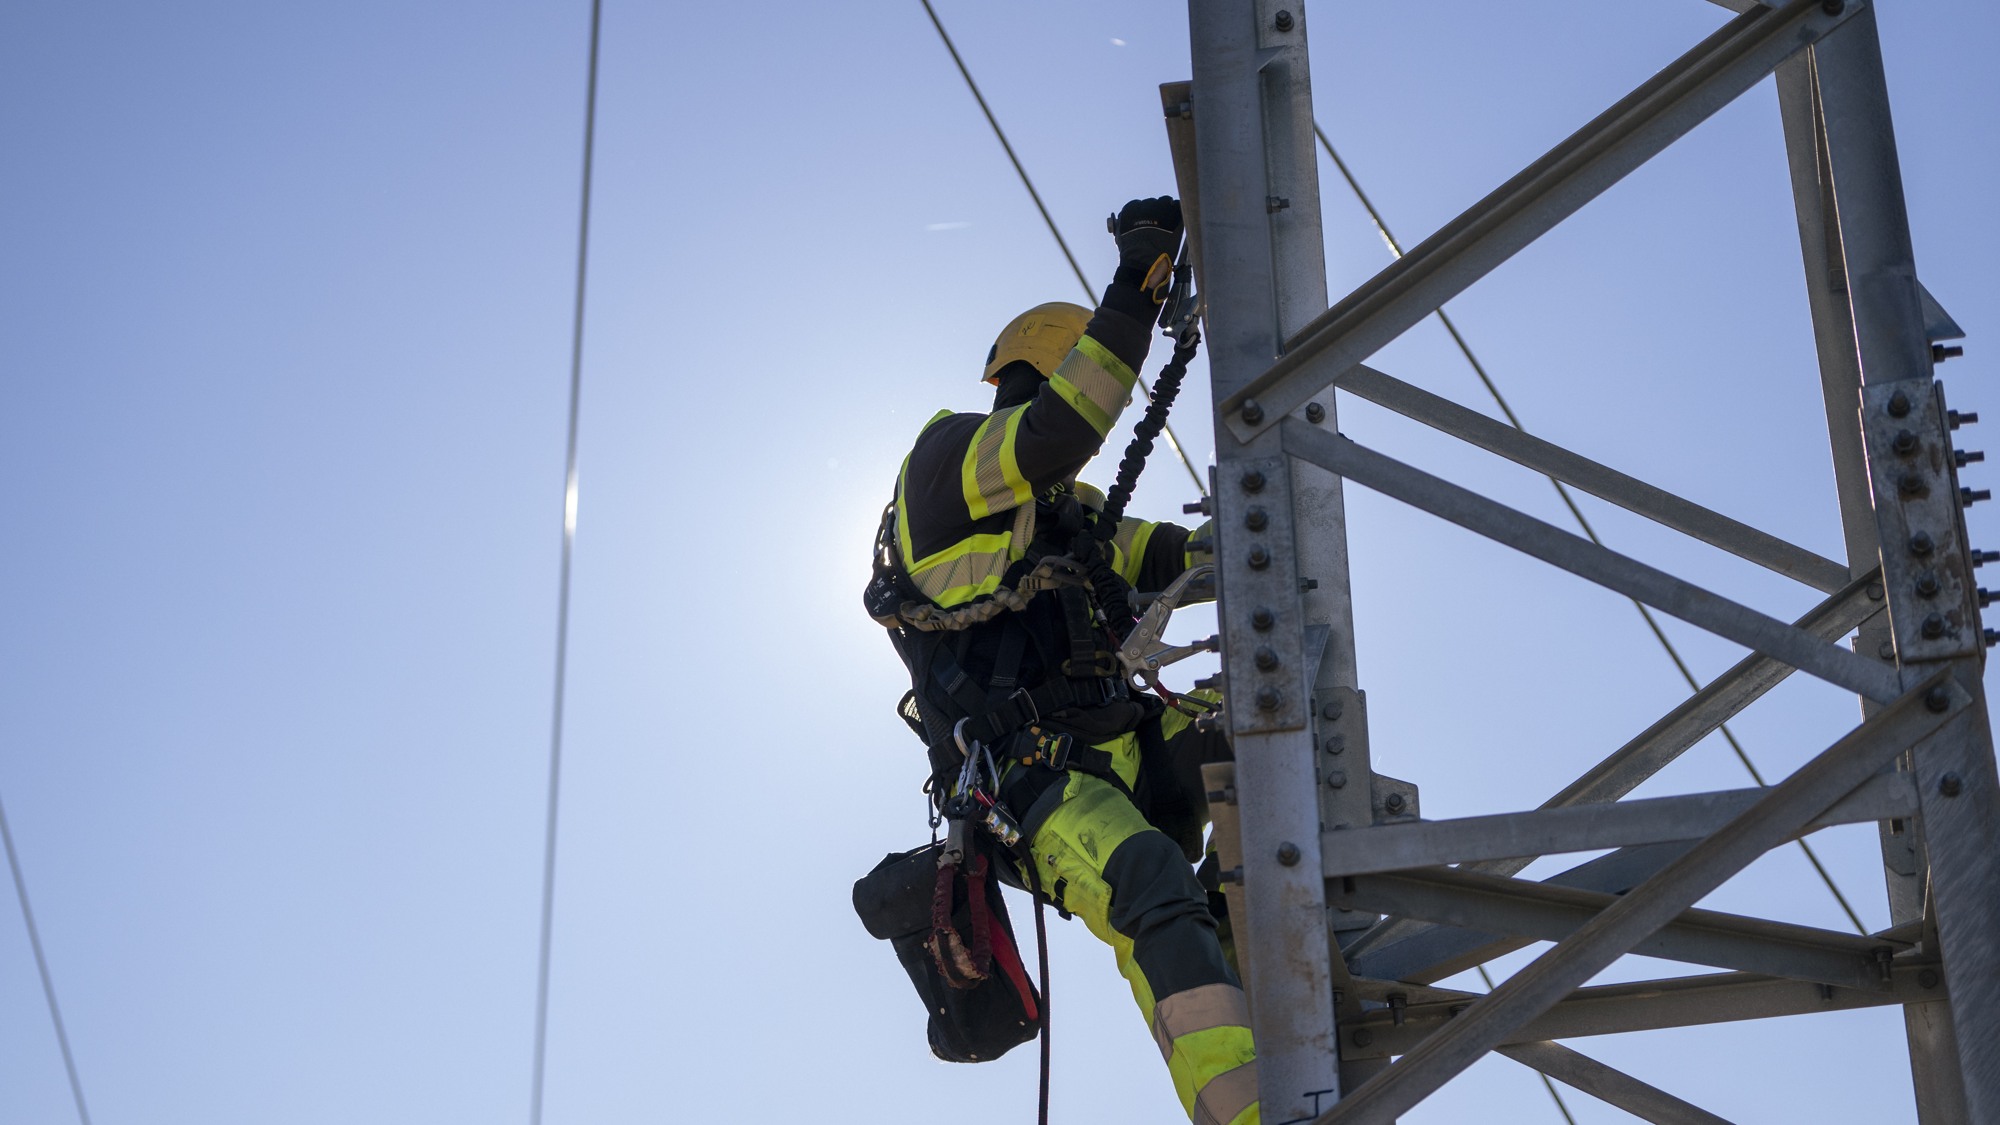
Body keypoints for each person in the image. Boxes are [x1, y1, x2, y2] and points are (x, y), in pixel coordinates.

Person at [872, 197, 1258, 1125]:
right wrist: (1134, 286)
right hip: (1030, 781)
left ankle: (1266, 965)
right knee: (1149, 887)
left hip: (1120, 742)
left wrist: (1252, 539)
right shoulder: (948, 463)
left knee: (1263, 740)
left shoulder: (1060, 514)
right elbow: (1060, 426)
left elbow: (1155, 553)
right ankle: (1246, 1111)